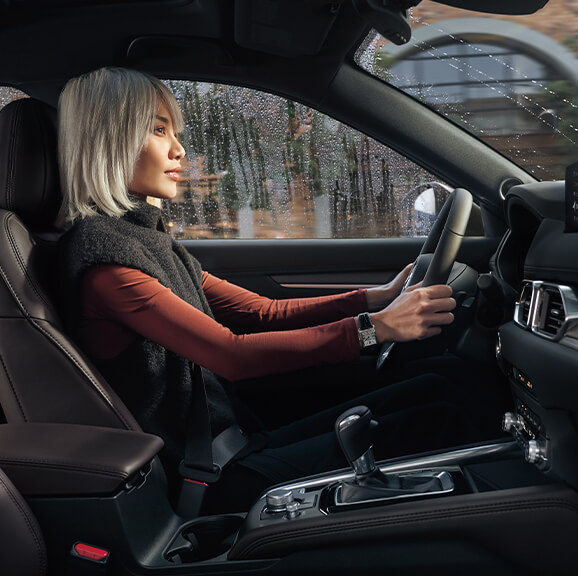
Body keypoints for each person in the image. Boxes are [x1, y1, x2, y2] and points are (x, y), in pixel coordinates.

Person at [56, 67, 499, 513]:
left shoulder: (145, 240)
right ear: (108, 141)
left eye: (175, 132)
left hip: (232, 439)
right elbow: (231, 354)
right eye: (158, 130)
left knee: (439, 384)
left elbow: (262, 312)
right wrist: (375, 329)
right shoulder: (107, 262)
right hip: (212, 475)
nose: (179, 149)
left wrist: (373, 299)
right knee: (443, 414)